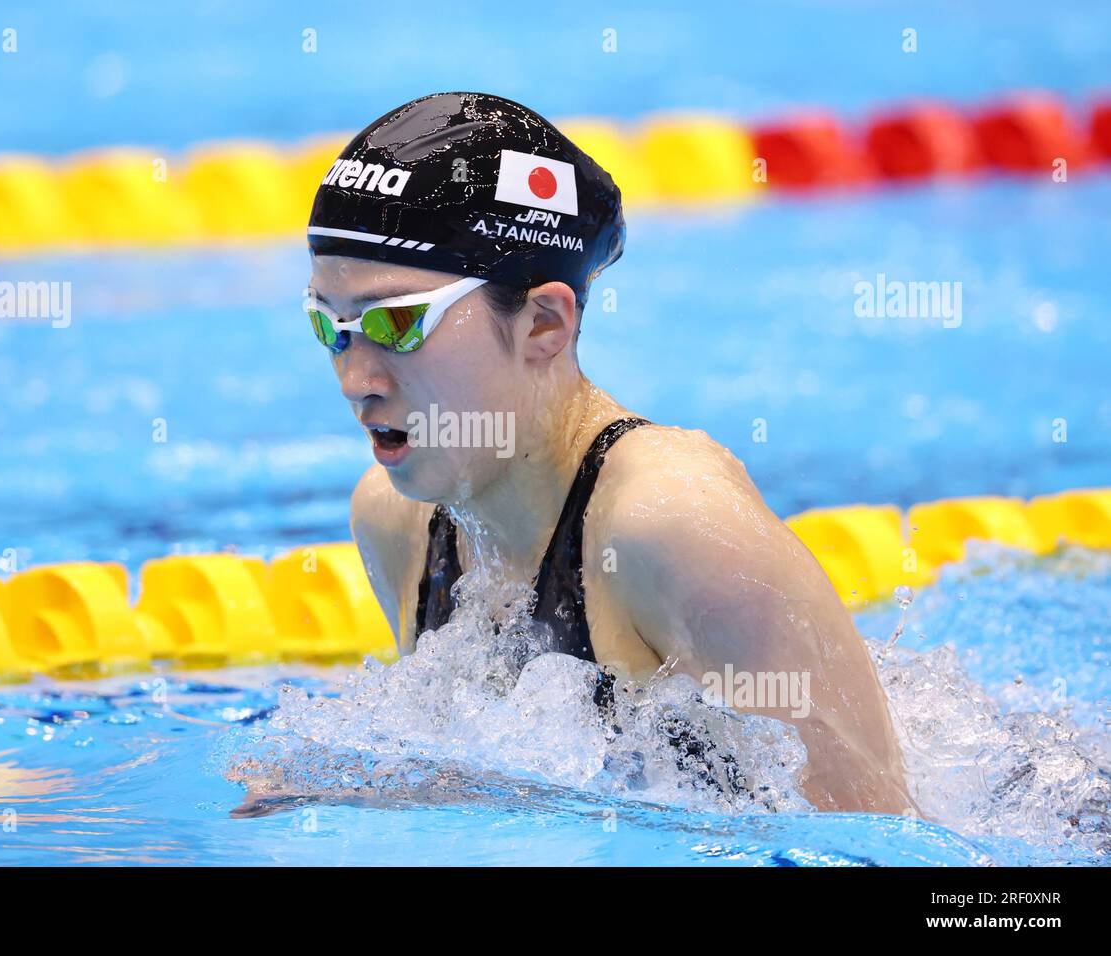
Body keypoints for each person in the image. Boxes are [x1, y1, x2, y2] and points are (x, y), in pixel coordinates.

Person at [303, 91, 914, 815]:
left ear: (543, 324)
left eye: (397, 324)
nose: (356, 380)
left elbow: (883, 836)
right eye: (329, 325)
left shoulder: (673, 525)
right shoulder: (396, 521)